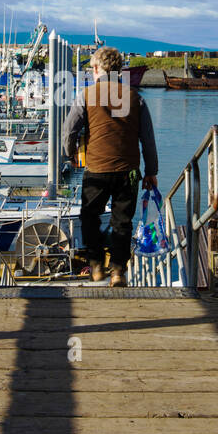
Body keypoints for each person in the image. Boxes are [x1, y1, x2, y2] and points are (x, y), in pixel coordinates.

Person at [61, 46, 157, 287]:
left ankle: (95, 265)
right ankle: (117, 271)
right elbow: (148, 138)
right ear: (119, 70)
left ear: (96, 68)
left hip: (97, 169)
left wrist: (70, 153)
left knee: (90, 216)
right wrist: (151, 171)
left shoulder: (86, 95)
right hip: (130, 171)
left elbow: (69, 130)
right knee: (122, 221)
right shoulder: (136, 98)